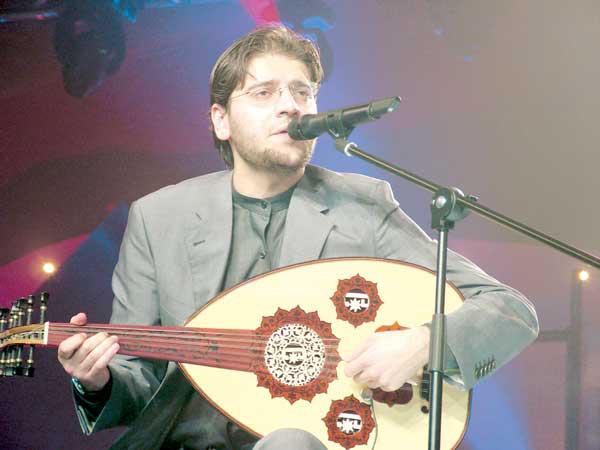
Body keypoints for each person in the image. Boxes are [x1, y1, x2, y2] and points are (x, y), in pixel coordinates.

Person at [57, 25, 539, 450]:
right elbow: (141, 379)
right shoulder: (159, 218)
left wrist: (423, 344)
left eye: (302, 92)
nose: (290, 105)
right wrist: (97, 380)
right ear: (221, 121)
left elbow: (508, 310)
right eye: (263, 92)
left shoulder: (363, 207)